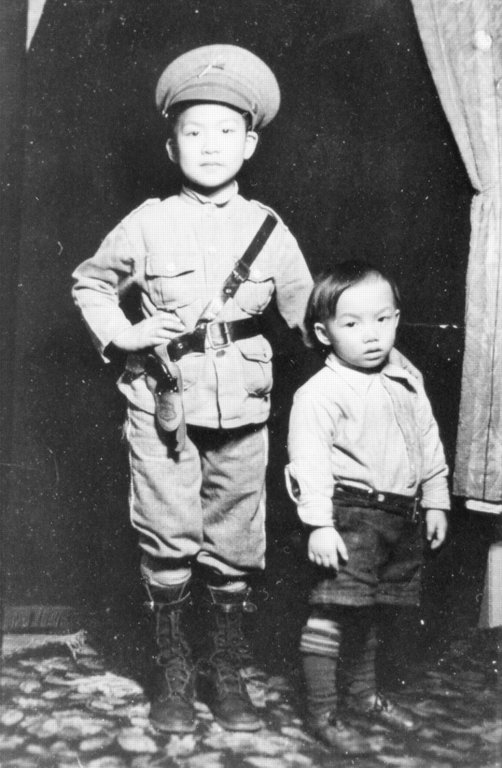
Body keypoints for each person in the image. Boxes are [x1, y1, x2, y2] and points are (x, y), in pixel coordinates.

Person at [71, 44, 313, 735]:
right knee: (167, 533)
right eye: (194, 131)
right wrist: (123, 336)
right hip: (162, 404)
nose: (210, 145)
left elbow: (308, 312)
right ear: (171, 145)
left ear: (250, 144)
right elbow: (90, 283)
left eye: (226, 131)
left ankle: (224, 671)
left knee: (235, 539)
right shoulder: (148, 222)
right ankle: (173, 674)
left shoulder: (268, 228)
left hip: (244, 408)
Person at [286, 261, 450, 755]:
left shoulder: (406, 380)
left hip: (400, 516)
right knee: (333, 611)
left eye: (382, 319)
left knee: (371, 610)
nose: (371, 334)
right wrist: (318, 524)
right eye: (352, 323)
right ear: (324, 333)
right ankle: (322, 711)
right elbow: (309, 461)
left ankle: (363, 697)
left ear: (397, 318)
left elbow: (427, 442)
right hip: (349, 515)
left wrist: (436, 498)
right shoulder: (320, 392)